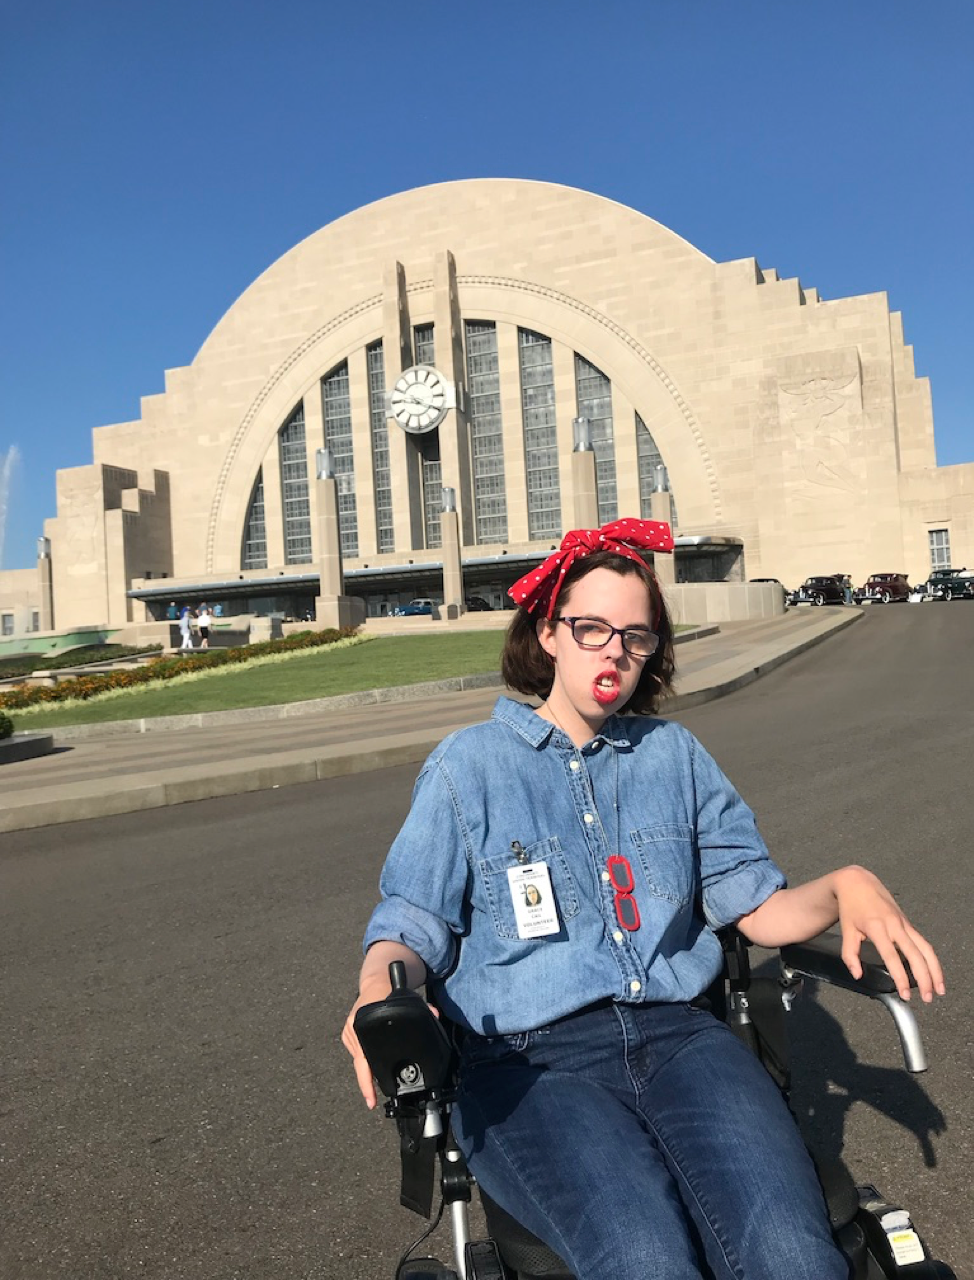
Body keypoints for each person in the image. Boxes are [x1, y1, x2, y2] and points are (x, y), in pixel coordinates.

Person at [343, 518, 944, 1280]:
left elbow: (753, 906)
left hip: (683, 1041)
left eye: (636, 636)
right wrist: (379, 985)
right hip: (529, 1064)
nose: (614, 653)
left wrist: (844, 885)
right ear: (548, 633)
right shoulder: (469, 768)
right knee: (644, 1256)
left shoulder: (674, 757)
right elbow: (411, 922)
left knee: (792, 1254)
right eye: (591, 628)